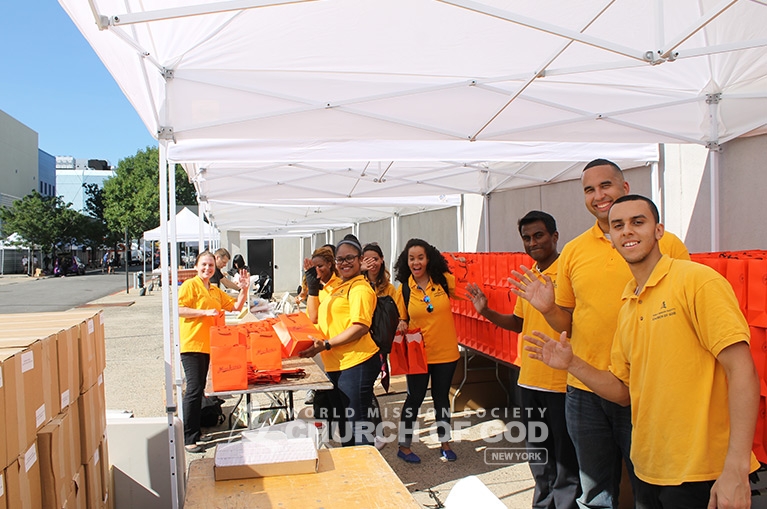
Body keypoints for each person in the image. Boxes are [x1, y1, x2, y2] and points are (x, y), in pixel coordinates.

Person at [525, 195, 759, 509]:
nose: (627, 232)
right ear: (610, 238)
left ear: (659, 230)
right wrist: (571, 363)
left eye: (638, 222)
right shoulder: (629, 304)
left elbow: (742, 370)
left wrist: (736, 467)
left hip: (702, 471)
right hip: (650, 468)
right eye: (618, 225)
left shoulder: (697, 282)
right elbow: (623, 392)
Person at [510, 159, 690, 508]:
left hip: (645, 389)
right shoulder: (576, 251)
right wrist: (548, 309)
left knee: (649, 489)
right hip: (586, 389)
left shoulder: (667, 244)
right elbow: (568, 323)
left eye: (605, 185)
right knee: (594, 492)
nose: (598, 195)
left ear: (625, 187)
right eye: (589, 190)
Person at [466, 211, 580, 508]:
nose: (532, 243)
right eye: (527, 238)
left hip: (561, 383)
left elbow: (577, 324)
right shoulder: (529, 276)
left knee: (565, 461)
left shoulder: (568, 273)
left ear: (555, 236)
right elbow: (518, 323)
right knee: (539, 457)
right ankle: (542, 504)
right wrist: (486, 311)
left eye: (539, 235)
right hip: (528, 380)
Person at [299, 234, 380, 447]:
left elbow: (360, 327)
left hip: (356, 362)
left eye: (349, 258)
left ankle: (367, 474)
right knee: (344, 424)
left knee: (358, 423)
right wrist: (312, 287)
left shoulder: (360, 288)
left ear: (360, 259)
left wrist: (326, 344)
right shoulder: (338, 288)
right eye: (340, 259)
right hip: (336, 363)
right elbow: (314, 317)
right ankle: (352, 470)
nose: (344, 263)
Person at [394, 238, 460, 463]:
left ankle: (445, 442)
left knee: (441, 398)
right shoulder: (403, 289)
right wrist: (401, 323)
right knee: (414, 398)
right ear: (406, 261)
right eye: (411, 258)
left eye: (420, 257)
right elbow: (400, 318)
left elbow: (469, 291)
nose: (416, 262)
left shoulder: (444, 281)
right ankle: (404, 446)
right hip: (418, 355)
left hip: (446, 352)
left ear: (428, 258)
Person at [178, 251, 249, 453]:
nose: (207, 269)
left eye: (210, 266)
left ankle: (196, 430)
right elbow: (179, 308)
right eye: (204, 265)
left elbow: (236, 306)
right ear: (196, 265)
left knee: (200, 388)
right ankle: (189, 437)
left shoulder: (215, 290)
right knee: (193, 389)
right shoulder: (190, 286)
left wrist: (244, 289)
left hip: (209, 345)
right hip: (192, 345)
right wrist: (204, 313)